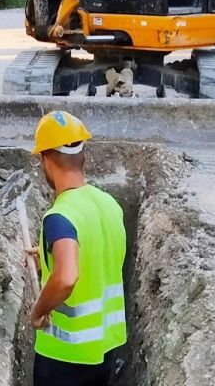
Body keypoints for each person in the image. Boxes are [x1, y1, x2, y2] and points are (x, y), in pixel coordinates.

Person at [28, 111, 127, 386]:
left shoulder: (60, 217)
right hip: (104, 348)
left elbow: (67, 277)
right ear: (82, 157)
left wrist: (39, 308)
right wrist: (46, 256)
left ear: (46, 160)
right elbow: (98, 251)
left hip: (67, 357)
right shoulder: (108, 204)